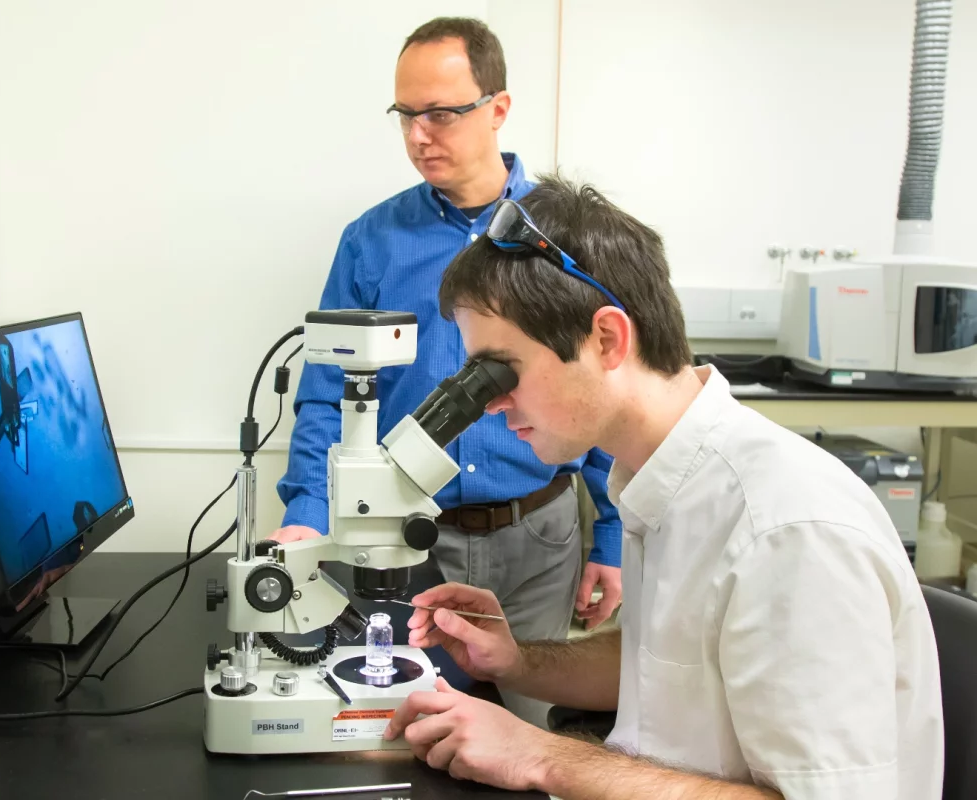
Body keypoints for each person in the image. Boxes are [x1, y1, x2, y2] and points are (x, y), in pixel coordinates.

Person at [383, 174, 945, 799]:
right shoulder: (662, 481)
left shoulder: (785, 531)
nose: (490, 404)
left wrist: (542, 755)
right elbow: (662, 668)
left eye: (502, 370)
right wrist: (518, 662)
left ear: (607, 339)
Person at [268, 17, 624, 726]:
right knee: (410, 733)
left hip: (539, 537)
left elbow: (602, 385)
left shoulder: (565, 235)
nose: (418, 135)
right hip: (401, 541)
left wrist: (610, 533)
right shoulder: (371, 242)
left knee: (530, 735)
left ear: (498, 108)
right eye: (405, 115)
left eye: (440, 113)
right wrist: (307, 515)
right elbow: (326, 393)